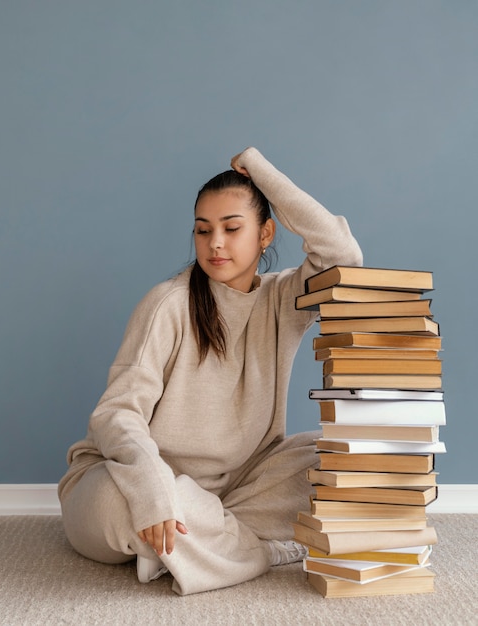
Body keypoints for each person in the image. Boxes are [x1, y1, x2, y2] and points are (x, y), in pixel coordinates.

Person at [58, 147, 363, 595]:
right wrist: (154, 490)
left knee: (343, 459)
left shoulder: (285, 298)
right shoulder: (168, 303)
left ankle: (189, 544)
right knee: (112, 503)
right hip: (137, 477)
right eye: (203, 231)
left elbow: (344, 256)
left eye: (231, 228)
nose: (214, 242)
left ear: (266, 233)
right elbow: (116, 414)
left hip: (236, 487)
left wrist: (260, 171)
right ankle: (256, 551)